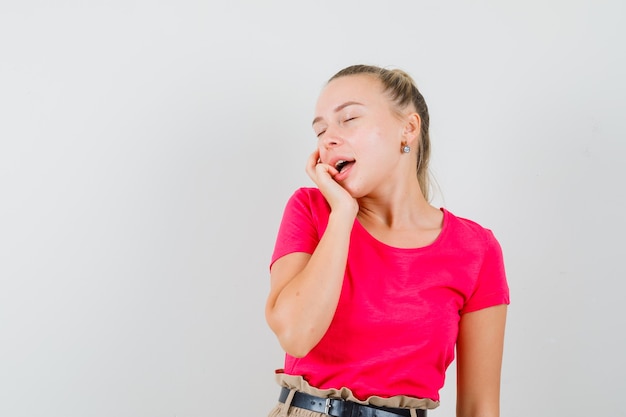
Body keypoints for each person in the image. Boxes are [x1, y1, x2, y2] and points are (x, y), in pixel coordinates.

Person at [265, 64, 510, 417]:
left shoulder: (477, 250)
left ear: (408, 129)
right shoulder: (312, 210)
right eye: (320, 131)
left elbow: (479, 406)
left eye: (348, 119)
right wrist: (343, 215)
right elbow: (296, 334)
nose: (328, 139)